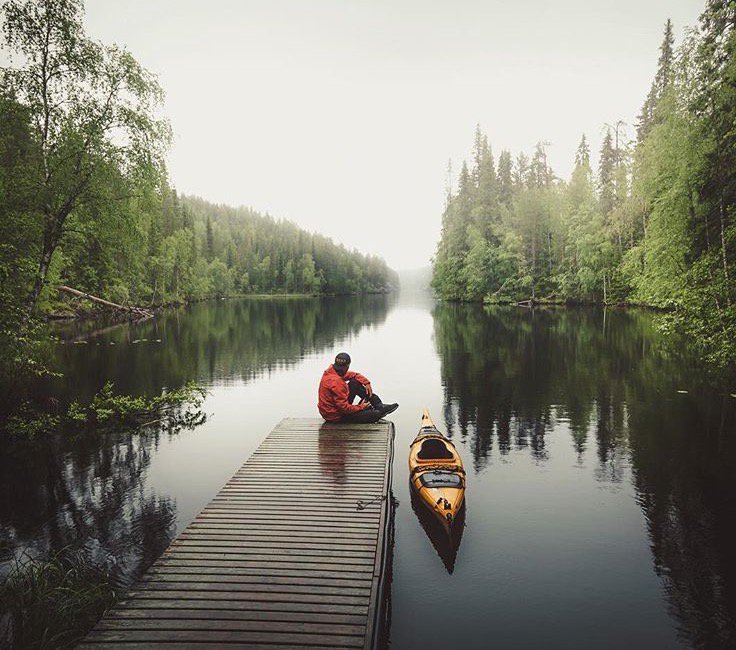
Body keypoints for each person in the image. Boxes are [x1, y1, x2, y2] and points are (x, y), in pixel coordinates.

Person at [318, 352, 399, 423]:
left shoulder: (331, 372)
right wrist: (361, 407)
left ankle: (379, 405)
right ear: (348, 366)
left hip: (333, 411)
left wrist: (366, 382)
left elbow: (354, 375)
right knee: (376, 414)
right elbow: (344, 409)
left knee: (355, 382)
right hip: (336, 416)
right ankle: (377, 409)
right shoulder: (337, 382)